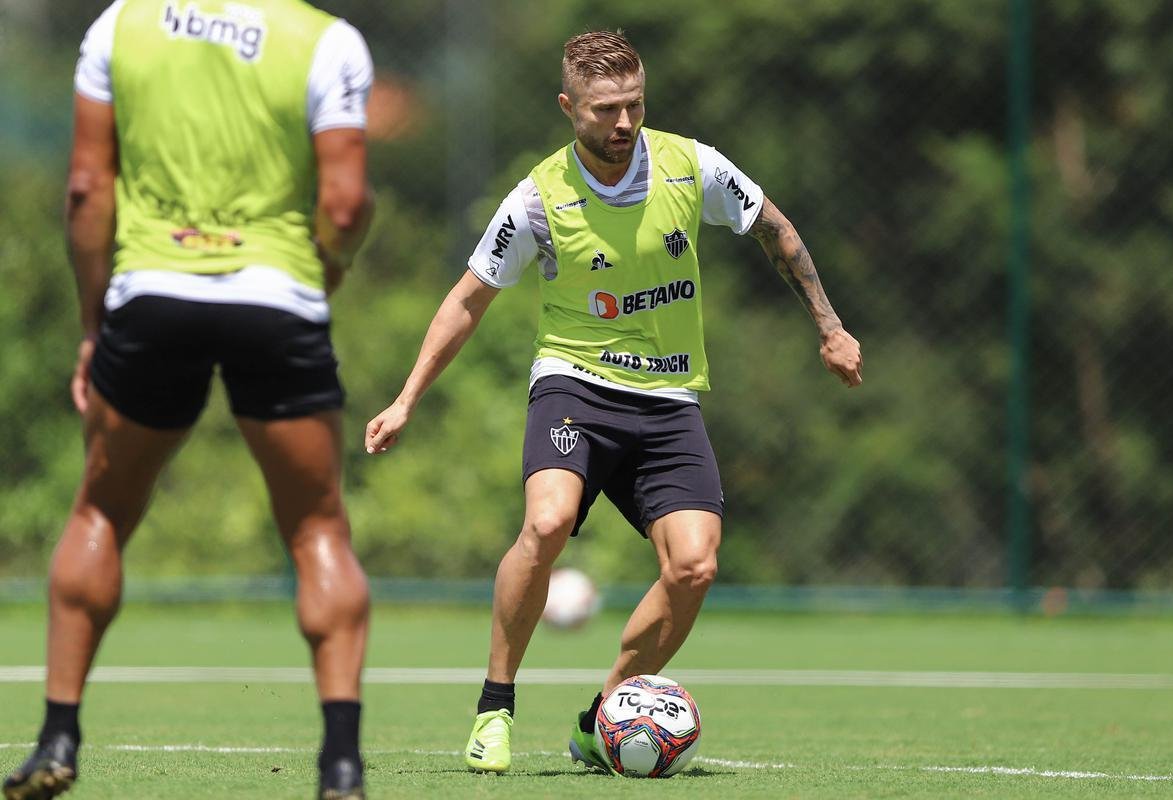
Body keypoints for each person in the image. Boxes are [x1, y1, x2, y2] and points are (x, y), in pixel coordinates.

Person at [364, 30, 862, 775]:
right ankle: (494, 706)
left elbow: (774, 228)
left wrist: (829, 326)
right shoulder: (537, 198)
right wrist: (406, 399)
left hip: (667, 398)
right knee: (548, 519)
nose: (622, 122)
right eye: (603, 109)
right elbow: (468, 299)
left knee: (694, 567)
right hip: (576, 386)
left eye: (632, 104)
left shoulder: (691, 165)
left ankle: (604, 718)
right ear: (569, 107)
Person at [3, 1, 374, 798]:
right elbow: (345, 205)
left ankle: (56, 739)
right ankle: (339, 762)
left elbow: (84, 190)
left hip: (150, 293)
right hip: (278, 300)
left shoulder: (119, 26)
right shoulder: (326, 39)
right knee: (316, 526)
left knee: (101, 509)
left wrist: (92, 323)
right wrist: (326, 272)